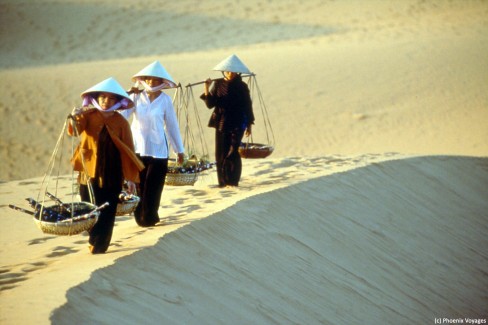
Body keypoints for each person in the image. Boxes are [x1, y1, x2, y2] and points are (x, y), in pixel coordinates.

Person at [68, 77, 144, 254]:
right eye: (102, 97)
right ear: (96, 98)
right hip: (89, 170)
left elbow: (128, 152)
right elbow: (75, 130)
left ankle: (100, 245)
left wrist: (131, 179)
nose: (105, 101)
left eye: (111, 99)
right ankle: (93, 238)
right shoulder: (86, 116)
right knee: (89, 206)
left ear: (118, 102)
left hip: (113, 172)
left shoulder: (121, 122)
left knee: (108, 209)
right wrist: (75, 117)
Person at [121, 61, 185, 227]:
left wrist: (179, 149)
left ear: (162, 82)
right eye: (148, 79)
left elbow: (171, 125)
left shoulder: (165, 100)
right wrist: (126, 96)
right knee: (139, 185)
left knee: (153, 186)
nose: (151, 83)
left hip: (158, 150)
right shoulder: (135, 97)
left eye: (155, 80)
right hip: (138, 148)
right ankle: (140, 217)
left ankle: (149, 217)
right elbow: (121, 117)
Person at [200, 54, 255, 187]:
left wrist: (249, 124)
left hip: (238, 122)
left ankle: (233, 181)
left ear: (237, 72)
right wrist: (207, 88)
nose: (230, 73)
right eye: (227, 71)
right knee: (221, 153)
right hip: (221, 122)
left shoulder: (242, 86)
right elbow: (210, 104)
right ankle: (222, 182)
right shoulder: (218, 84)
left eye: (233, 71)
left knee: (233, 151)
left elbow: (247, 105)